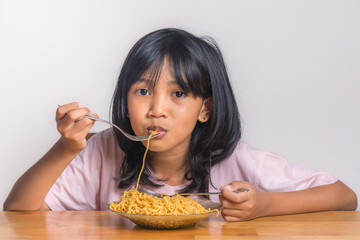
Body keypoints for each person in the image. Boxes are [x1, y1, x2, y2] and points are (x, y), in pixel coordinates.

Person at [3, 28, 357, 221]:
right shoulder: (104, 149)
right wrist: (64, 148)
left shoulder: (234, 159)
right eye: (143, 90)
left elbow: (345, 197)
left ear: (205, 109)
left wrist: (264, 205)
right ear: (124, 100)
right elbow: (18, 211)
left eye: (178, 94)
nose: (157, 109)